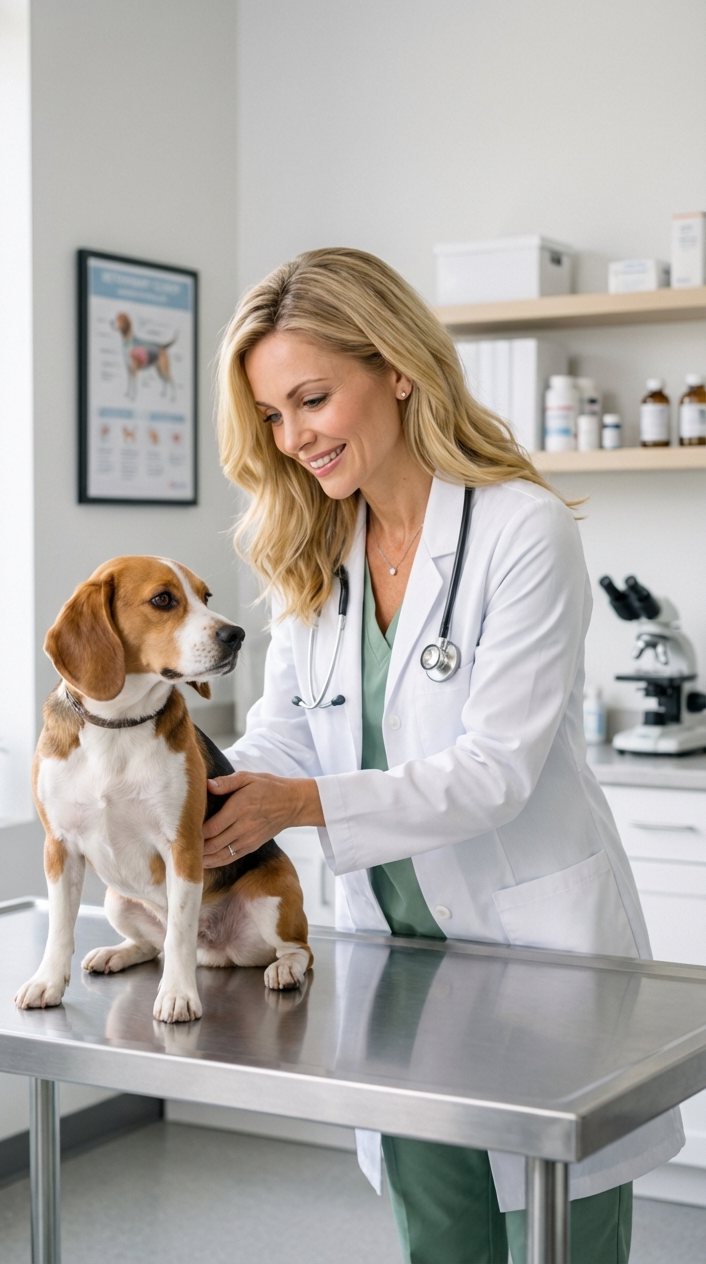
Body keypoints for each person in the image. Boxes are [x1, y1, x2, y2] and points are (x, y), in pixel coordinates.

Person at [203, 247, 682, 1264]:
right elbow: (289, 730)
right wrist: (198, 788)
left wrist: (294, 801)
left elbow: (492, 770)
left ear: (397, 366)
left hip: (541, 965)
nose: (293, 440)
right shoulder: (313, 551)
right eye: (272, 417)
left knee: (564, 1240)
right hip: (399, 974)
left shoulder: (522, 528)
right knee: (441, 1241)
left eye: (312, 399)